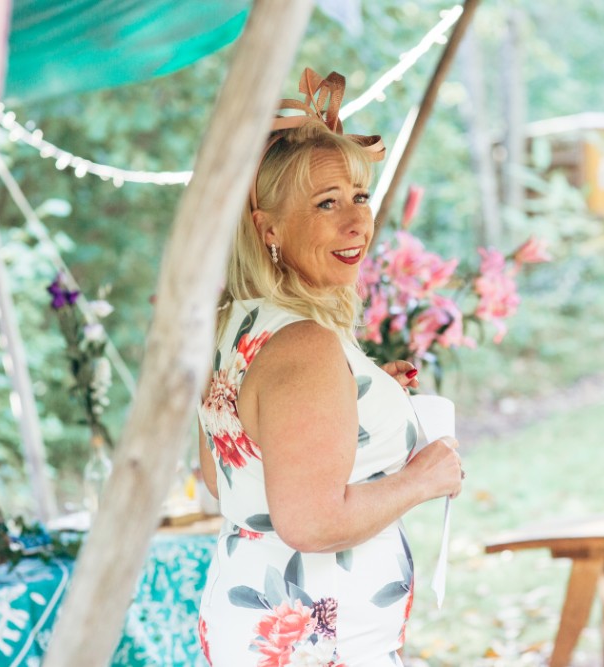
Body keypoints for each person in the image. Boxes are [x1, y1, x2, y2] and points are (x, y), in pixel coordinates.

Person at [196, 69, 463, 667]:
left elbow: (226, 476)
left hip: (255, 619)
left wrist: (359, 398)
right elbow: (312, 524)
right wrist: (426, 477)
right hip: (317, 637)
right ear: (268, 229)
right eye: (326, 203)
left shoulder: (238, 324)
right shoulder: (305, 345)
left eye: (359, 197)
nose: (356, 223)